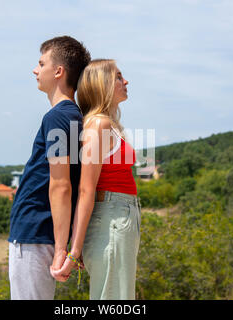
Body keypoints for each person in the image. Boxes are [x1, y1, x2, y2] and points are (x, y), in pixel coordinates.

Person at [50, 59, 142, 300]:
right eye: (119, 77)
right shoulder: (98, 125)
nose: (126, 81)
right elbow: (86, 190)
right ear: (103, 84)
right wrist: (74, 249)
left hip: (119, 216)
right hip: (112, 219)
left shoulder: (108, 125)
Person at [8, 36, 91, 300]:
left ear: (58, 71)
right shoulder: (74, 116)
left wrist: (59, 249)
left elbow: (61, 185)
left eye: (41, 63)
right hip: (42, 234)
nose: (35, 69)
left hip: (35, 235)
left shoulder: (58, 117)